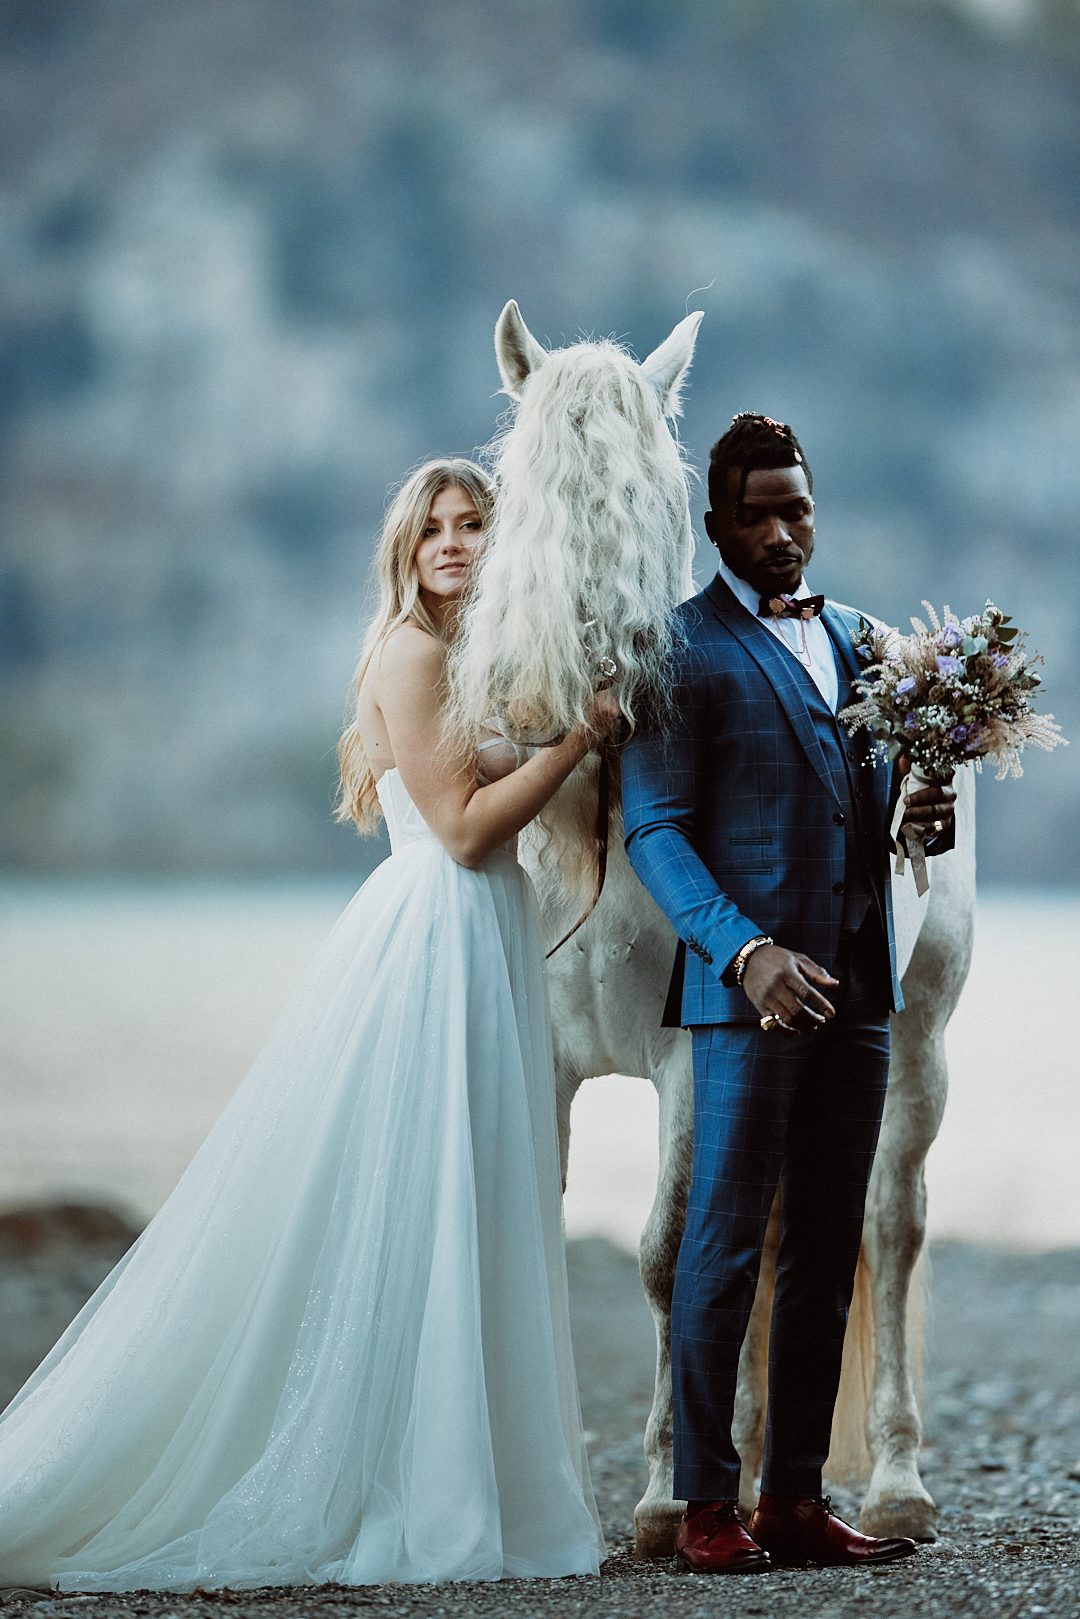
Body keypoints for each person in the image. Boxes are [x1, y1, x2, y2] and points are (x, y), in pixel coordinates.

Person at [0, 458, 611, 1591]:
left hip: (480, 944)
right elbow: (469, 829)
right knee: (414, 1200)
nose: (453, 543)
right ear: (403, 549)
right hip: (436, 935)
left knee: (462, 1199)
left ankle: (457, 1470)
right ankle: (411, 1486)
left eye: (474, 523)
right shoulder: (415, 651)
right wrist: (578, 742)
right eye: (432, 528)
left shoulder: (477, 656)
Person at [621, 414, 956, 1574]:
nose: (779, 531)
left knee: (826, 1244)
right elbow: (655, 831)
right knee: (720, 1243)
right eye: (756, 513)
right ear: (718, 523)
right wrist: (744, 951)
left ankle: (796, 1498)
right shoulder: (678, 651)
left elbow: (874, 812)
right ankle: (707, 1502)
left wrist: (920, 817)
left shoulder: (864, 639)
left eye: (796, 509)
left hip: (860, 993)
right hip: (747, 1000)